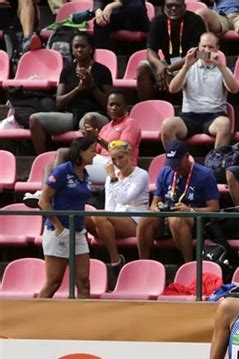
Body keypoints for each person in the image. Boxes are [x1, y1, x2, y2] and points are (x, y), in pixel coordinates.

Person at [29, 32, 112, 154]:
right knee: (35, 119)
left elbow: (109, 105)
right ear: (72, 50)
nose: (79, 49)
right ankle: (41, 158)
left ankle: (88, 158)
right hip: (72, 116)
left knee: (89, 118)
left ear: (90, 49)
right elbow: (59, 102)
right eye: (76, 46)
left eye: (83, 46)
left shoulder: (102, 71)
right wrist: (78, 89)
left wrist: (92, 86)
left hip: (96, 115)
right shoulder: (67, 71)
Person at [137, 139, 220, 262]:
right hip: (165, 217)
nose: (175, 168)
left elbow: (214, 208)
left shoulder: (205, 174)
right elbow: (155, 202)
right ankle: (143, 262)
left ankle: (188, 263)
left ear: (187, 157)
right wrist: (157, 208)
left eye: (178, 163)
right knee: (146, 217)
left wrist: (190, 210)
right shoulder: (165, 172)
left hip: (194, 218)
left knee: (176, 218)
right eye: (172, 164)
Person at [37, 137, 96, 299]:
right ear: (81, 152)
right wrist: (58, 227)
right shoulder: (62, 171)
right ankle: (37, 316)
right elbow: (43, 200)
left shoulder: (84, 174)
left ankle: (84, 321)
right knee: (53, 282)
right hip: (58, 232)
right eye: (92, 150)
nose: (95, 154)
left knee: (84, 281)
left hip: (77, 232)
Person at [161, 32, 239, 151]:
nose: (206, 50)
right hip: (189, 115)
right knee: (167, 125)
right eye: (204, 46)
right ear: (198, 47)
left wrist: (221, 67)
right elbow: (173, 89)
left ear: (217, 49)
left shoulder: (223, 69)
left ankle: (216, 163)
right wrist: (186, 66)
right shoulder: (189, 67)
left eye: (211, 47)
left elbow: (234, 90)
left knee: (224, 124)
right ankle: (175, 163)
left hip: (214, 115)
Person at [89, 141, 149, 273]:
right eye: (113, 159)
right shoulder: (112, 177)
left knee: (99, 216)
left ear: (129, 155)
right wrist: (106, 222)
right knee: (87, 218)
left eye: (120, 157)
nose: (117, 162)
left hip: (135, 219)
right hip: (117, 217)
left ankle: (114, 259)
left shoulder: (141, 174)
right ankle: (110, 249)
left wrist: (112, 177)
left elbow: (124, 198)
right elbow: (109, 204)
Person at [137, 0, 206, 101]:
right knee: (142, 67)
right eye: (169, 6)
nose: (173, 9)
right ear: (164, 7)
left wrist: (169, 68)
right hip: (167, 65)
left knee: (199, 61)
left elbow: (200, 54)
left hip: (191, 64)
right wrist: (159, 65)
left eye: (177, 6)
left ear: (184, 7)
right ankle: (147, 106)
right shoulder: (157, 21)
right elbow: (151, 50)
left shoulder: (196, 21)